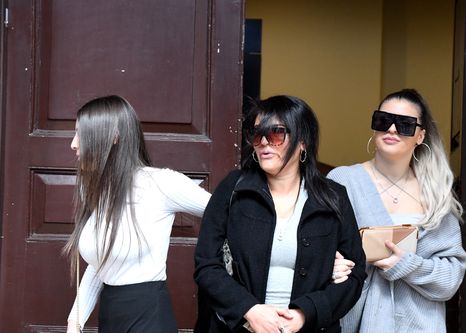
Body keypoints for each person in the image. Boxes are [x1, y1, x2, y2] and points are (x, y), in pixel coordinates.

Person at [194, 95, 367, 333]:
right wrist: (250, 310)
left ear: (303, 141)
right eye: (257, 134)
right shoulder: (233, 189)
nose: (264, 142)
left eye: (275, 134)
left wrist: (304, 314)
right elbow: (206, 264)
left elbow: (355, 275)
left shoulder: (333, 197)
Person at [64, 95, 211, 333]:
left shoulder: (160, 183)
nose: (73, 143)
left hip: (149, 318)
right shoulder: (96, 188)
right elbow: (101, 264)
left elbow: (227, 213)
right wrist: (75, 322)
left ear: (113, 137)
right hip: (111, 317)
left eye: (82, 134)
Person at [327, 89, 466, 332]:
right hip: (355, 321)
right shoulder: (343, 181)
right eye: (383, 120)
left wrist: (405, 265)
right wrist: (331, 264)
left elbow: (451, 278)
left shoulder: (435, 193)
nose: (391, 129)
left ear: (420, 135)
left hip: (420, 324)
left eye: (405, 124)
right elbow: (314, 250)